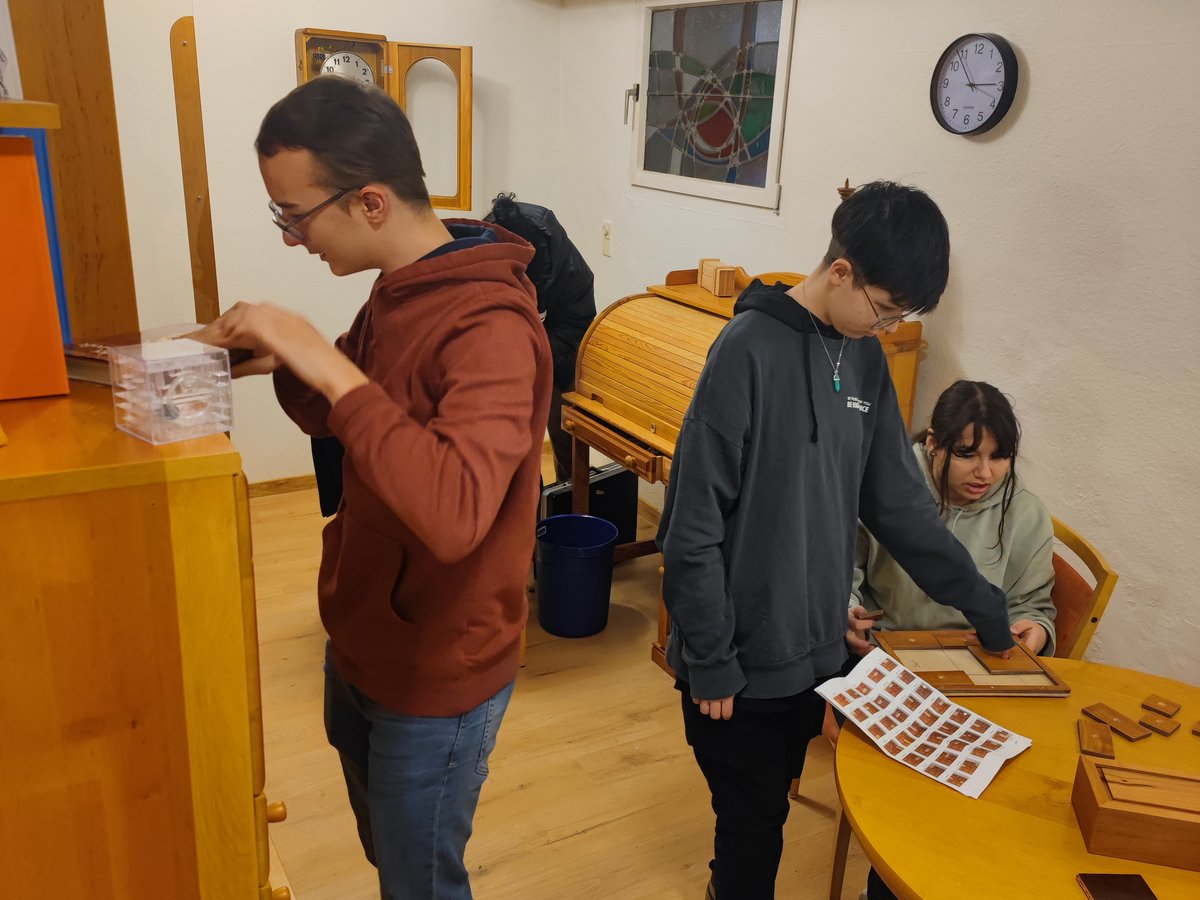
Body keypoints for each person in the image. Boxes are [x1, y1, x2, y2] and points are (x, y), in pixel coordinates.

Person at [195, 76, 552, 899]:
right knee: (390, 856)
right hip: (364, 641)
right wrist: (289, 361)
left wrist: (320, 357)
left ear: (371, 202)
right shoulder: (402, 288)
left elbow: (454, 513)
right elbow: (348, 416)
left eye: (295, 215)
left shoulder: (493, 328)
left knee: (419, 881)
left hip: (437, 673)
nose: (292, 238)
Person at [655, 181, 1015, 900]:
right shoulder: (745, 351)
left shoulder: (865, 360)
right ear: (841, 270)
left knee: (776, 812)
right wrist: (714, 659)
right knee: (751, 835)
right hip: (737, 665)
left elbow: (901, 508)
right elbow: (690, 527)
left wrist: (981, 601)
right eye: (884, 310)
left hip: (816, 654)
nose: (887, 327)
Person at [850, 380, 1057, 656]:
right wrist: (848, 612)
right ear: (933, 442)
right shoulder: (887, 489)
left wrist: (1036, 629)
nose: (984, 473)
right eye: (967, 454)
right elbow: (841, 573)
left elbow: (1031, 605)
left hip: (976, 654)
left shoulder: (1026, 513)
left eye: (999, 457)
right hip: (881, 647)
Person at [485, 193, 597, 482]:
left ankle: (569, 500)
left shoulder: (571, 270)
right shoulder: (481, 256)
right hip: (493, 357)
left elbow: (576, 324)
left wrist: (535, 357)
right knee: (508, 443)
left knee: (567, 430)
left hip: (554, 352)